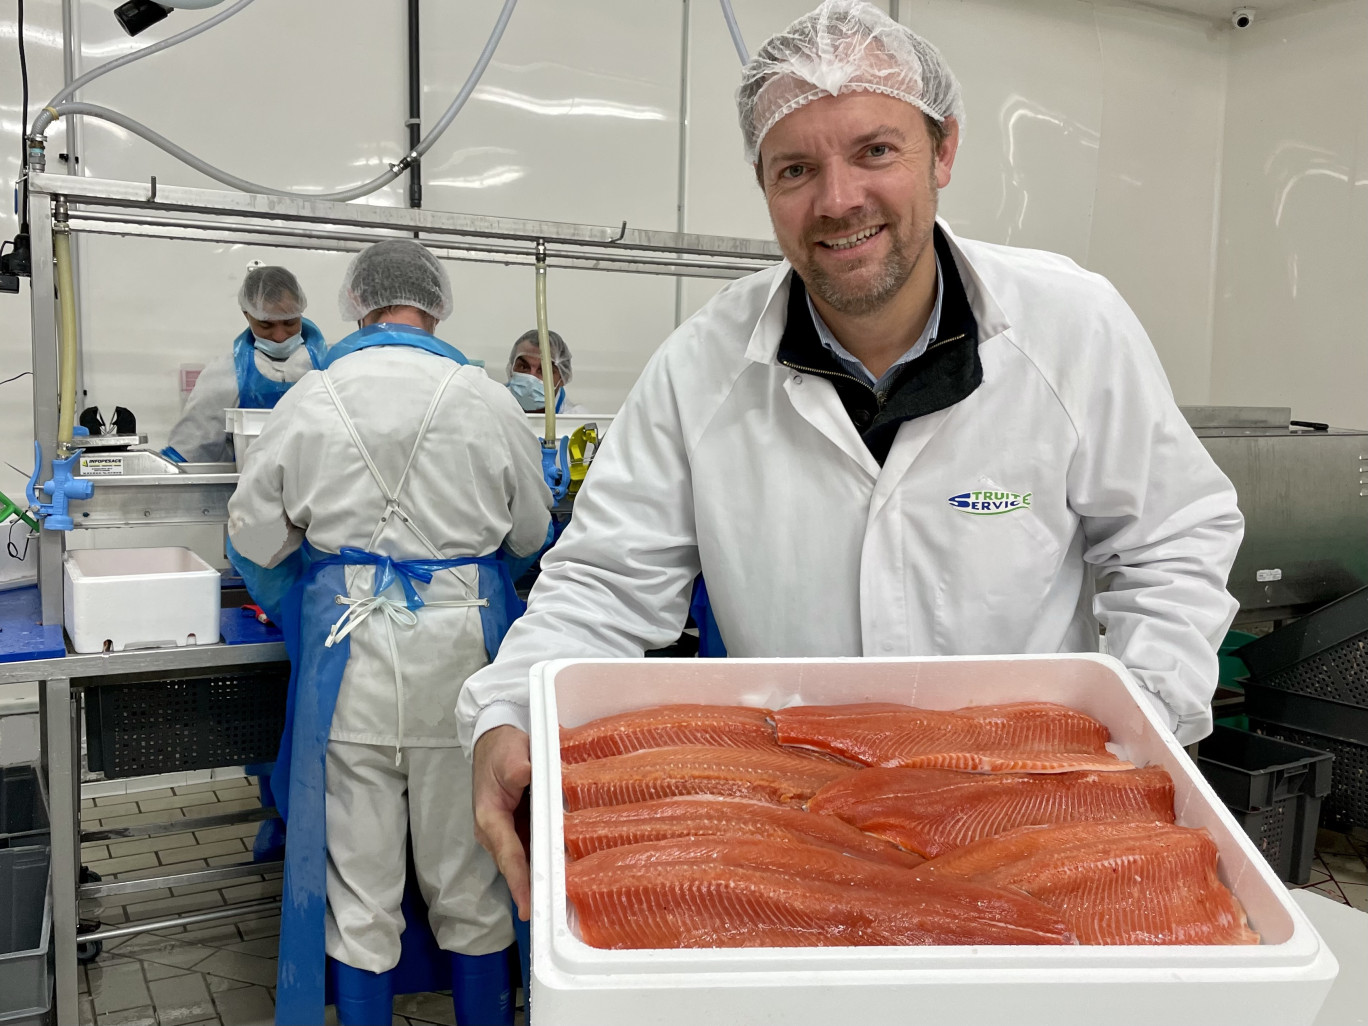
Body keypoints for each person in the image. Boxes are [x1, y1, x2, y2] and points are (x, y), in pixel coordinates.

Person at [457, 0, 1244, 921]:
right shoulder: (700, 368)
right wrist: (509, 708)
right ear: (763, 183)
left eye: (875, 150)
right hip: (794, 838)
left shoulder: (1073, 327)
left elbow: (1172, 540)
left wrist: (1131, 742)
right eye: (796, 168)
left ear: (942, 152)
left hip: (1028, 822)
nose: (837, 200)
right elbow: (602, 582)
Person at [227, 239, 551, 1025]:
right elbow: (533, 534)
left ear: (354, 303)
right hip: (464, 665)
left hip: (352, 671)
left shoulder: (311, 397)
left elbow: (253, 537)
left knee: (360, 891)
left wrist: (323, 589)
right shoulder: (486, 399)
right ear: (436, 303)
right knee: (473, 881)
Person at [165, 265, 327, 462]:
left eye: (289, 322)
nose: (279, 336)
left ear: (300, 312)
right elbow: (189, 450)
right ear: (246, 314)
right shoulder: (225, 373)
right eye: (266, 325)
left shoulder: (332, 364)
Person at [504, 328, 588, 414]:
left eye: (545, 371)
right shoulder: (494, 406)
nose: (531, 378)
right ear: (511, 368)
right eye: (523, 367)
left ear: (563, 378)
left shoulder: (575, 420)